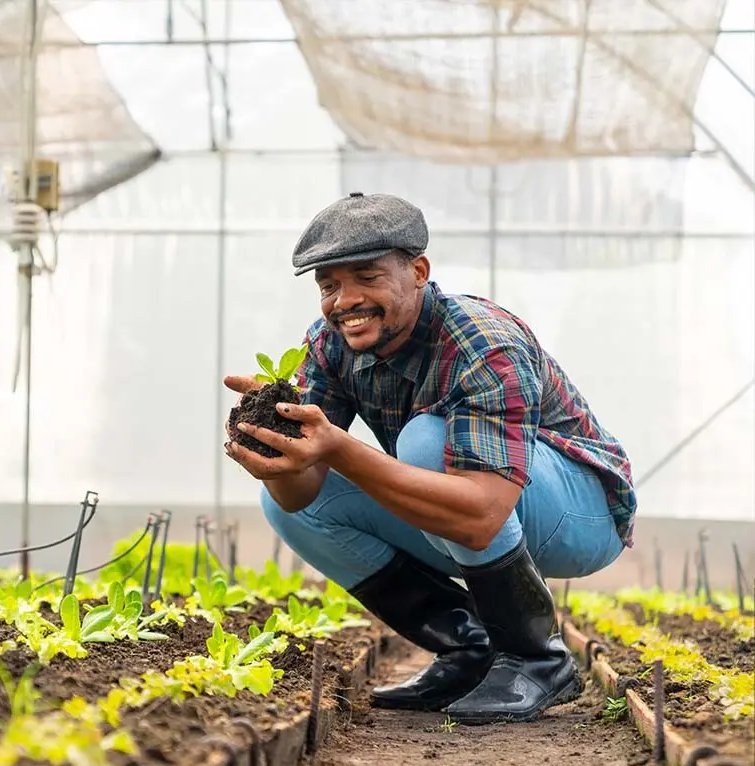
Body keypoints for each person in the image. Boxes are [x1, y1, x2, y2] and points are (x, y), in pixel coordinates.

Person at [223, 192, 636, 725]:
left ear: (418, 271)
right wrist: (277, 451)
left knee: (425, 440)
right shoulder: (329, 344)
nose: (344, 300)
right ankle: (470, 649)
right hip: (472, 513)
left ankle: (536, 659)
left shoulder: (483, 343)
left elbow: (483, 512)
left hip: (581, 516)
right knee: (286, 505)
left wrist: (340, 448)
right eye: (329, 286)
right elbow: (306, 487)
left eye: (367, 277)